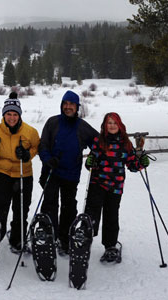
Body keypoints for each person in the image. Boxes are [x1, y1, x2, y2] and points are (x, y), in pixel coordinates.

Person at [38, 90, 99, 255]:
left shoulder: (82, 126)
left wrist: (93, 156)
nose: (68, 107)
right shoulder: (52, 122)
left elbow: (98, 144)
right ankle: (48, 236)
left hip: (71, 175)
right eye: (65, 104)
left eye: (71, 104)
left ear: (77, 107)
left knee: (68, 208)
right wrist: (48, 158)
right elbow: (42, 145)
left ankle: (65, 240)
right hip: (51, 171)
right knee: (49, 204)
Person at [84, 112, 150, 262]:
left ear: (119, 125)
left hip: (115, 186)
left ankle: (110, 246)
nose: (112, 125)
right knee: (92, 212)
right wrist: (90, 162)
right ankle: (85, 238)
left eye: (115, 123)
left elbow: (132, 165)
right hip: (97, 183)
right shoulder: (99, 141)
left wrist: (142, 163)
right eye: (109, 123)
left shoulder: (126, 144)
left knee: (111, 215)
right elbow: (90, 160)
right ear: (105, 125)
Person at [0, 92, 40, 253]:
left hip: (23, 174)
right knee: (0, 207)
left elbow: (36, 146)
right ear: (4, 115)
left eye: (15, 114)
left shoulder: (30, 131)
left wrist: (28, 155)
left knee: (21, 209)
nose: (11, 118)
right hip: (2, 173)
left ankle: (17, 240)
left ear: (19, 115)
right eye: (8, 114)